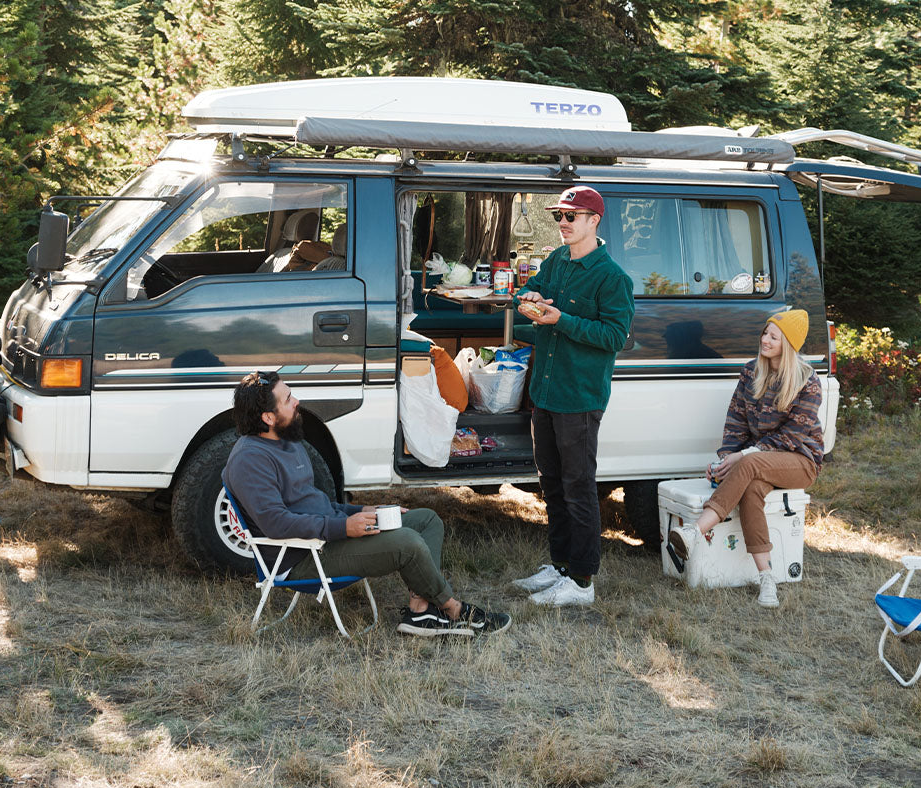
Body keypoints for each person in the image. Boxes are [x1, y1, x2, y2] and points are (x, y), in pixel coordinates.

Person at [221, 370, 510, 636]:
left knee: (426, 521)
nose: (297, 401)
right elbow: (276, 523)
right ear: (268, 418)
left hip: (326, 537)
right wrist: (344, 527)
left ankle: (420, 613)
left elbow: (318, 505)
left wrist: (363, 511)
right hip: (302, 557)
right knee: (406, 542)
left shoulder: (288, 441)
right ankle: (454, 609)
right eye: (287, 399)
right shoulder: (250, 459)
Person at [510, 185, 635, 607]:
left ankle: (582, 581)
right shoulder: (556, 259)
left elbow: (614, 336)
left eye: (571, 216)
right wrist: (526, 297)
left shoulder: (613, 278)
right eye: (559, 216)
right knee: (551, 485)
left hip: (579, 396)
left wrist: (561, 319)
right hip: (544, 392)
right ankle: (560, 565)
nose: (562, 223)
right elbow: (530, 294)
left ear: (593, 221)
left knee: (579, 486)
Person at [693, 309, 823, 609]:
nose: (765, 340)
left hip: (800, 461)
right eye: (765, 333)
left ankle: (696, 530)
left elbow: (792, 437)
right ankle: (766, 578)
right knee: (750, 488)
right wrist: (726, 461)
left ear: (788, 344)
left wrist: (742, 457)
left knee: (749, 464)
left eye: (773, 336)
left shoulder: (808, 381)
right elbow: (735, 422)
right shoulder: (751, 371)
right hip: (755, 461)